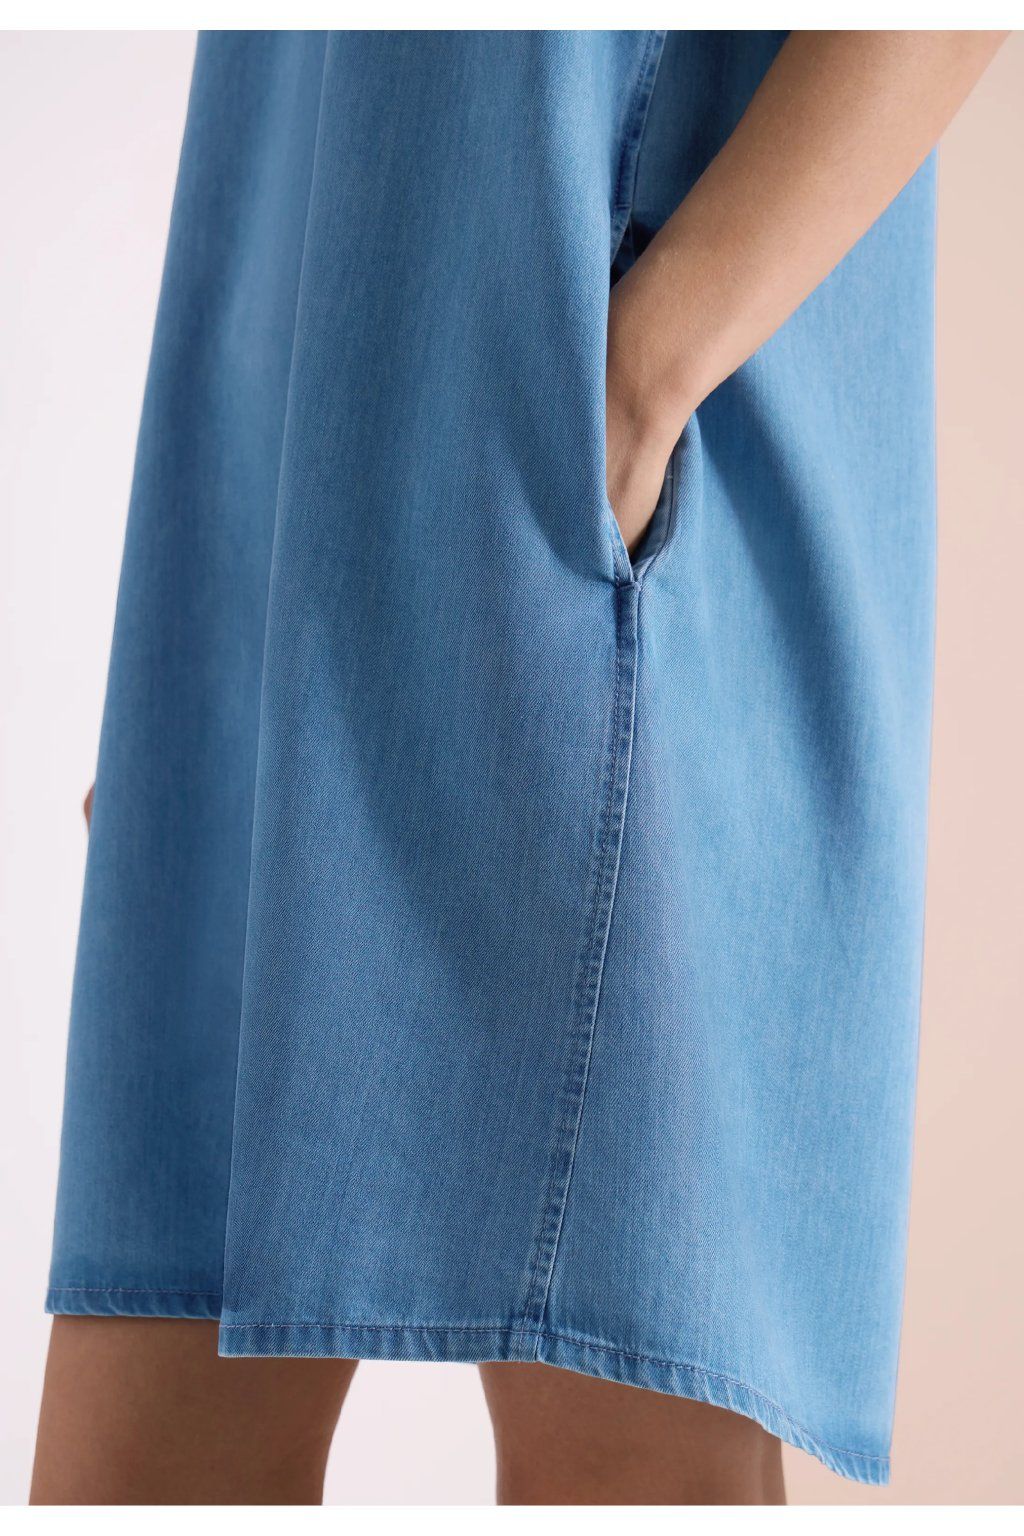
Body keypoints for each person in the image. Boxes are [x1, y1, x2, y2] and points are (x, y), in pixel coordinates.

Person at [31, 30, 1005, 1506]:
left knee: (629, 1444)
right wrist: (213, 618)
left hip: (607, 487)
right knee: (149, 1447)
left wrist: (634, 380)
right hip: (293, 516)